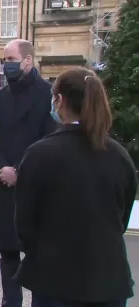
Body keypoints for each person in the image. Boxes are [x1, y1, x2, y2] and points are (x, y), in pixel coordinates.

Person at [14, 67, 136, 307]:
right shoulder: (120, 156)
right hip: (109, 282)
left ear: (59, 101)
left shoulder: (39, 154)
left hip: (56, 283)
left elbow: (25, 225)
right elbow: (121, 218)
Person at [0, 39, 55, 307]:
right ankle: (11, 302)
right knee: (8, 253)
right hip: (3, 185)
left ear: (28, 61)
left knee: (37, 253)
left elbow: (52, 138)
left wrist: (21, 171)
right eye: (4, 60)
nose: (6, 65)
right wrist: (2, 168)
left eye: (10, 59)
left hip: (35, 185)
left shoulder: (49, 95)